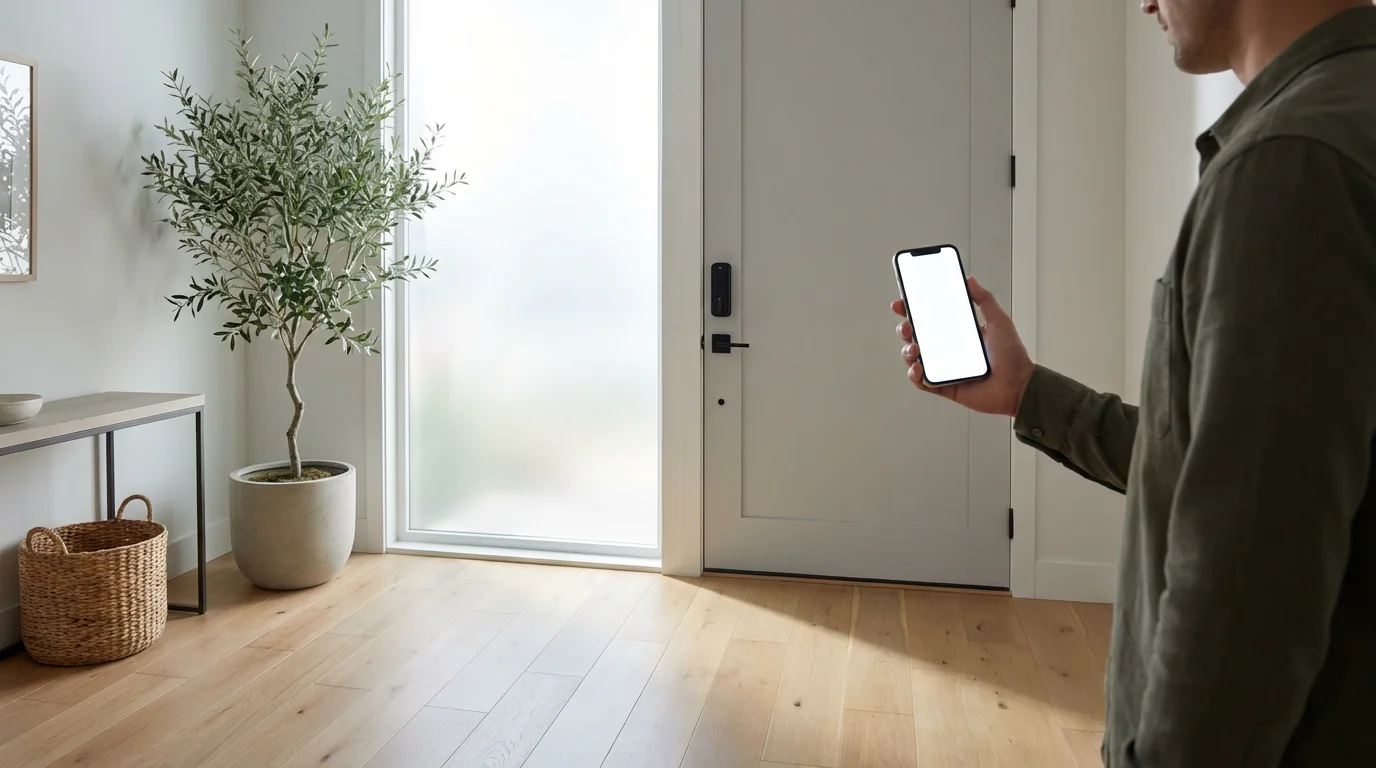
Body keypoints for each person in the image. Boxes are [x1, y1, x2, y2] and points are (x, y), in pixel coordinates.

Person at [893, 1, 1376, 765]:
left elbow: (1245, 590)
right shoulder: (1342, 120)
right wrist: (1027, 393)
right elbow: (1222, 463)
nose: (1144, 1)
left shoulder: (1290, 164)